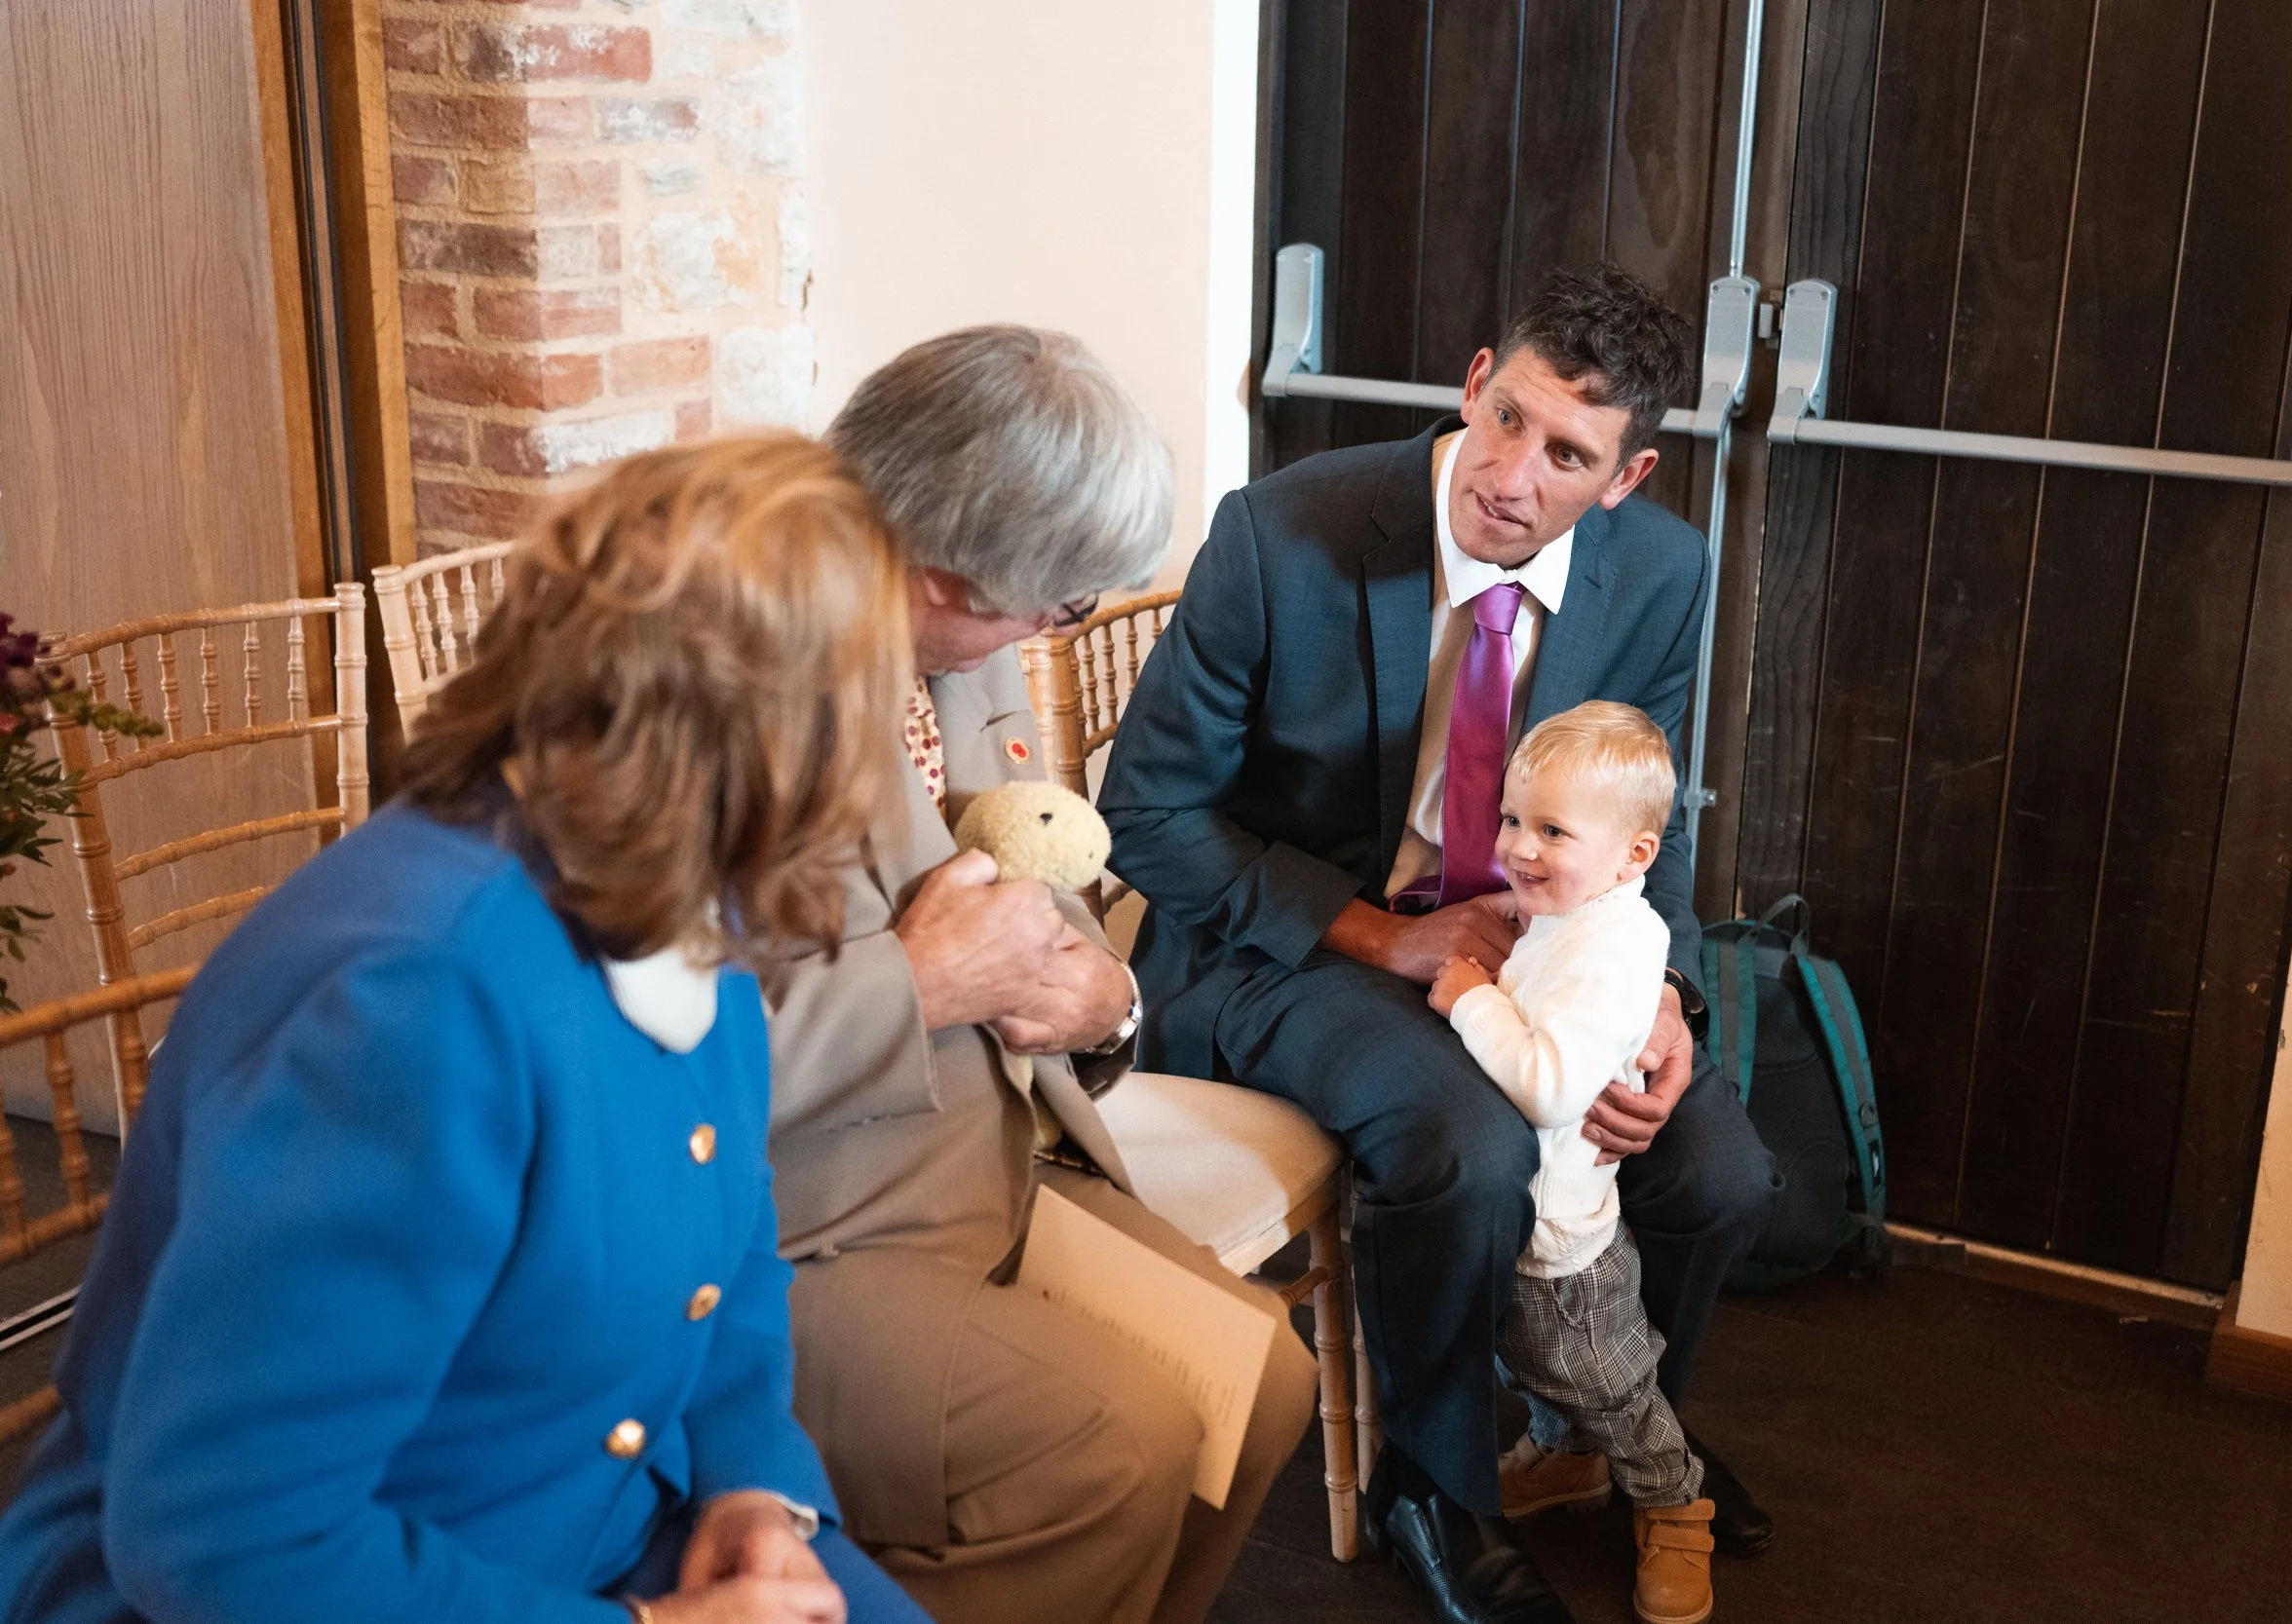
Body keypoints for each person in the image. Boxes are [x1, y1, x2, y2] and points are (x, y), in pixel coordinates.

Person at [0, 437, 933, 1624]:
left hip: (583, 1520)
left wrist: (756, 1489)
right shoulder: (419, 1005)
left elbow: (731, 1246)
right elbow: (222, 1538)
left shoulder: (674, 882)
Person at [1098, 264, 1777, 1624]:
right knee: (1468, 1141)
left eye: (1568, 452)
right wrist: (1378, 937)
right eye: (1508, 416)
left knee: (1714, 1160)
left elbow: (1655, 808)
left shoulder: (1662, 572)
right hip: (1290, 943)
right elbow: (1147, 812)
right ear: (1475, 381)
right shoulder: (1281, 528)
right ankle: (1438, 1479)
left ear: (1626, 474)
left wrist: (1667, 994)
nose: (1514, 474)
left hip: (1536, 940)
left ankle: (1608, 1426)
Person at [762, 325, 1316, 1624]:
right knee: (1114, 1451)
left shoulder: (959, 644)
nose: (1051, 631)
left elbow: (1039, 882)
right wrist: (911, 983)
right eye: (1060, 606)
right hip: (802, 1224)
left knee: (1264, 1388)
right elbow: (621, 1057)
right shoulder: (726, 688)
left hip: (994, 1161)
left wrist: (1106, 1002)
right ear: (950, 573)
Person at [1427, 702, 1716, 1624]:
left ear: (1635, 857)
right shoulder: (1580, 912)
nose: (1518, 847)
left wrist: (1472, 998)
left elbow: (1548, 1087)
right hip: (1528, 1212)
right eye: (1513, 820)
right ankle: (1564, 1456)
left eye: (1553, 830)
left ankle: (1674, 1502)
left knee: (1608, 1380)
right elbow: (1549, 953)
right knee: (1533, 1367)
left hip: (1564, 1248)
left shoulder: (1614, 952)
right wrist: (1523, 914)